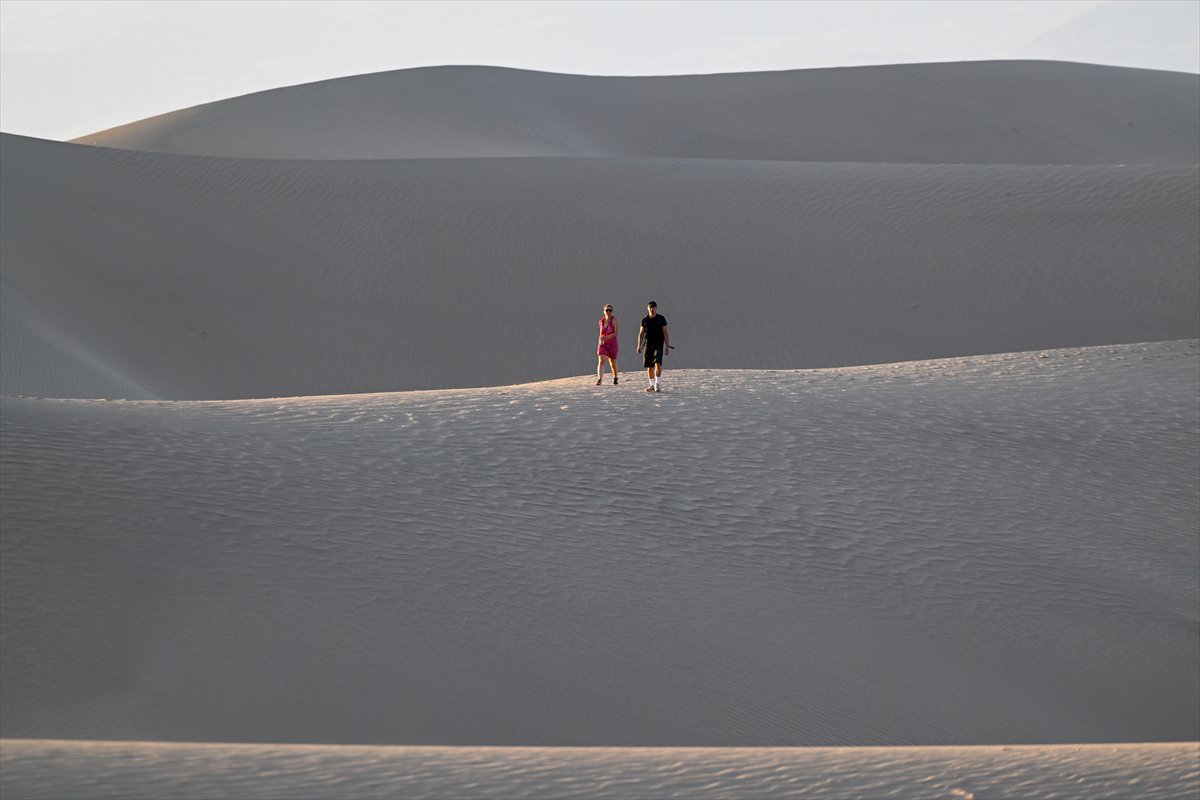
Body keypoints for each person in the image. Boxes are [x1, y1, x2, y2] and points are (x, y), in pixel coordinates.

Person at [636, 300, 669, 392]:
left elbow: (665, 333)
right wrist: (639, 345)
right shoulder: (645, 320)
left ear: (656, 308)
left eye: (654, 307)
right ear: (648, 308)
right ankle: (651, 384)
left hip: (658, 344)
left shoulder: (661, 319)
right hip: (648, 344)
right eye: (650, 307)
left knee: (658, 363)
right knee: (649, 366)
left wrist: (667, 346)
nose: (652, 308)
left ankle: (657, 384)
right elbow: (641, 333)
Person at [596, 304, 619, 385]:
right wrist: (600, 340)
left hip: (612, 344)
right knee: (601, 361)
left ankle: (615, 378)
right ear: (604, 311)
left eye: (610, 310)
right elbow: (601, 332)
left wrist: (607, 337)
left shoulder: (614, 321)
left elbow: (615, 333)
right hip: (603, 343)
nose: (608, 312)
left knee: (612, 363)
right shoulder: (601, 321)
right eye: (607, 310)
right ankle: (599, 379)